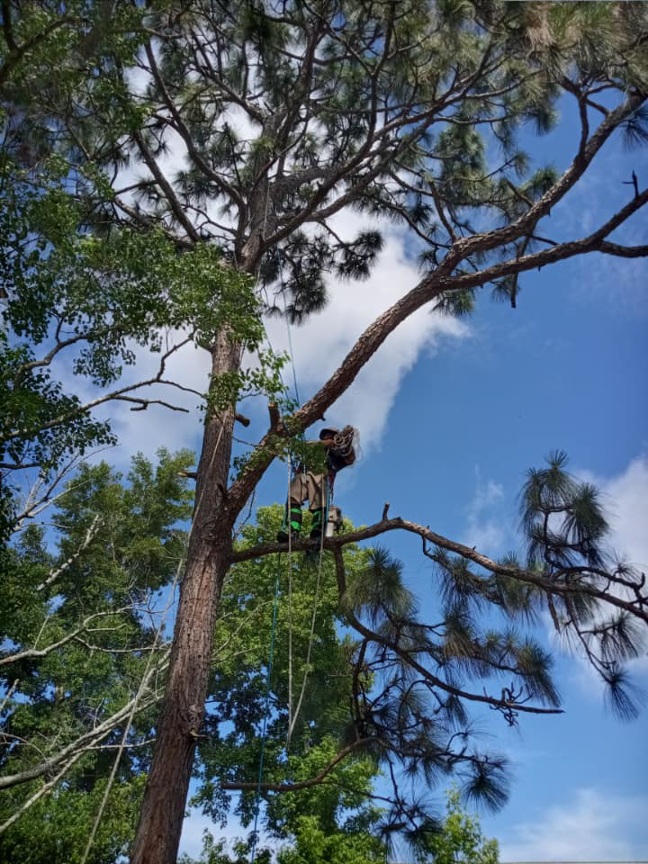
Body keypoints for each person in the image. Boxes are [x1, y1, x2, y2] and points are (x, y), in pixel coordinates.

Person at [277, 425, 356, 543]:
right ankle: (293, 530)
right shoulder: (311, 448)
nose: (327, 436)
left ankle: (317, 530)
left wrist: (345, 442)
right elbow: (303, 446)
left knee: (317, 477)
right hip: (303, 478)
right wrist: (326, 443)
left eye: (331, 435)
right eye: (326, 435)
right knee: (295, 489)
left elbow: (350, 458)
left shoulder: (336, 456)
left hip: (321, 481)